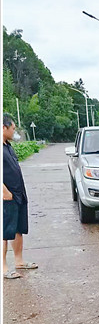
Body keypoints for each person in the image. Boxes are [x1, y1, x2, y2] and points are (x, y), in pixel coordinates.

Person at [3, 114, 38, 279]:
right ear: (4, 127)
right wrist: (3, 191)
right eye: (13, 128)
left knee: (18, 227)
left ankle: (19, 261)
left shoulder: (8, 146)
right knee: (5, 230)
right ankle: (3, 266)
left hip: (18, 193)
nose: (14, 131)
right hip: (6, 195)